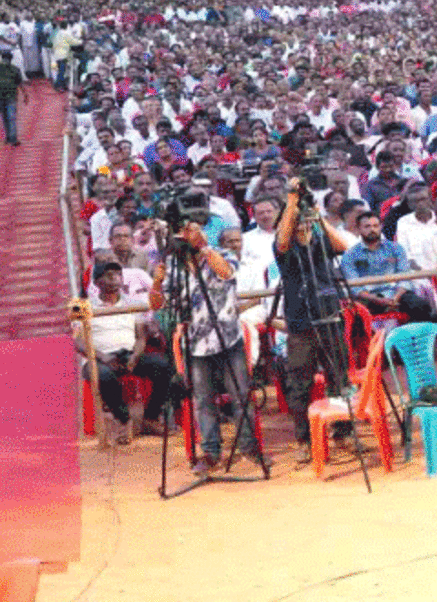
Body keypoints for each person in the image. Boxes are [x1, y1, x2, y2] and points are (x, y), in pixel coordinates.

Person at [149, 219, 266, 474]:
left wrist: (203, 246)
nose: (188, 237)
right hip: (196, 343)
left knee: (241, 395)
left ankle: (249, 447)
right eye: (183, 234)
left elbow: (226, 273)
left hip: (228, 337)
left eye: (192, 232)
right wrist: (156, 283)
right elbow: (157, 305)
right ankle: (211, 452)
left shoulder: (220, 254)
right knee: (203, 400)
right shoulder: (173, 268)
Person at [273, 177, 352, 464]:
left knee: (339, 378)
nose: (302, 224)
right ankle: (304, 440)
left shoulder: (320, 240)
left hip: (329, 315)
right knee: (300, 384)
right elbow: (283, 241)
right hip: (300, 321)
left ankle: (342, 432)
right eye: (298, 220)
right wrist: (292, 202)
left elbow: (342, 246)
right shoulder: (284, 246)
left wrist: (318, 217)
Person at [77, 262, 176, 443]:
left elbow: (141, 337)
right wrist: (103, 357)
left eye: (118, 275)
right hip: (98, 358)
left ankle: (151, 417)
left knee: (163, 366)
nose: (116, 279)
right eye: (109, 275)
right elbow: (78, 341)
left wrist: (135, 356)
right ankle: (123, 420)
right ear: (97, 282)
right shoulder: (83, 306)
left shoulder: (133, 303)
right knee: (104, 376)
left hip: (128, 354)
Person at [0, 49, 27, 146]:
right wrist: (25, 94)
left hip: (7, 96)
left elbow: (20, 83)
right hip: (9, 96)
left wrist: (25, 94)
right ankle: (10, 138)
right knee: (9, 117)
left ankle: (11, 138)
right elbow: (20, 83)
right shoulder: (15, 69)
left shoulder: (14, 69)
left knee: (7, 117)